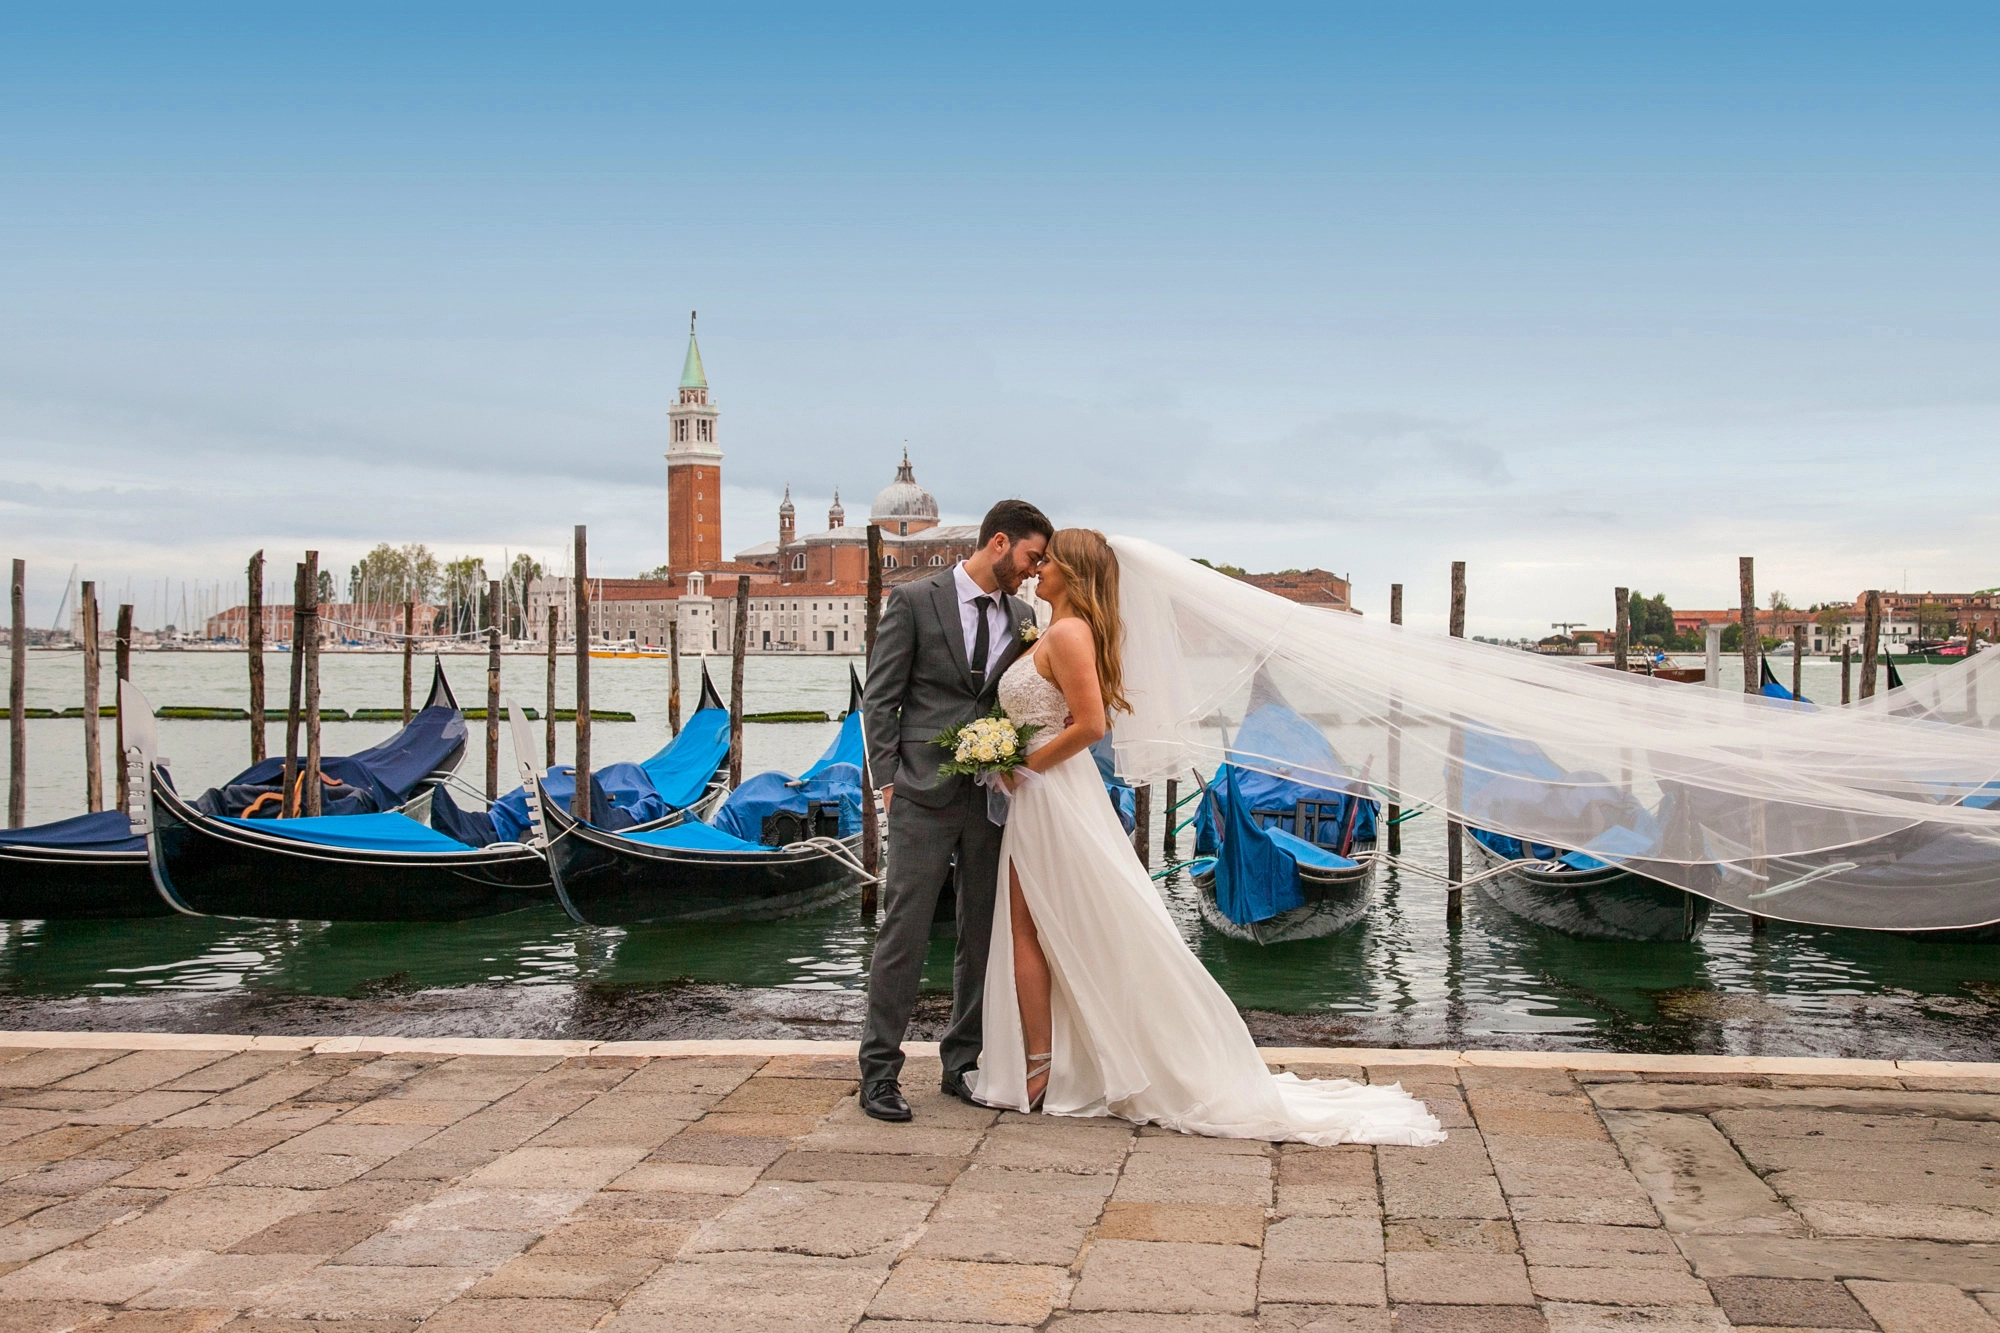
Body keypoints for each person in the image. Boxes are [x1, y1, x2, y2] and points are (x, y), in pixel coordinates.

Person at [963, 528, 1445, 1147]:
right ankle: (1049, 1061)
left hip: (1051, 791)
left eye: (1050, 561)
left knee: (1042, 924)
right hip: (1045, 793)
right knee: (1043, 923)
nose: (1040, 569)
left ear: (1074, 574)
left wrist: (1023, 765)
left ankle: (1041, 1067)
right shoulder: (1056, 629)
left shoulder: (1067, 633)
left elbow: (1091, 725)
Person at [857, 499, 1053, 1121]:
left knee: (981, 932)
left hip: (991, 796)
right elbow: (880, 699)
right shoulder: (915, 601)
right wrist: (887, 782)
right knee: (904, 929)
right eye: (1029, 558)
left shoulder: (1025, 616)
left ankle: (961, 1063)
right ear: (999, 543)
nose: (1031, 572)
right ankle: (879, 1073)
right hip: (919, 790)